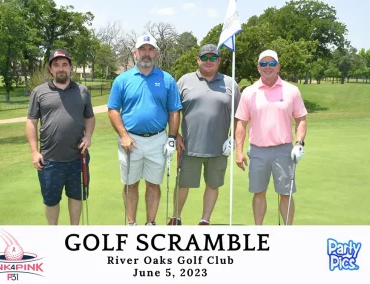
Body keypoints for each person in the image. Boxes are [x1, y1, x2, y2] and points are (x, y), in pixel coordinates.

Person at [107, 35, 182, 226]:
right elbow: (113, 109)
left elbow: (174, 110)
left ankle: (150, 224)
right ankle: (132, 224)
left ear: (156, 53)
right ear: (135, 53)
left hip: (158, 139)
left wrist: (172, 138)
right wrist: (123, 135)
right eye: (142, 49)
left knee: (153, 183)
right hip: (130, 140)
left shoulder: (167, 79)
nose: (146, 53)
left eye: (150, 49)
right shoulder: (122, 79)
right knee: (131, 183)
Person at [168, 44, 241, 226]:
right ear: (198, 60)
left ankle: (205, 220)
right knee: (183, 184)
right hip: (189, 146)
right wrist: (175, 135)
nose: (209, 62)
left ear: (219, 61)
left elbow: (239, 116)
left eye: (213, 58)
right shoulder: (184, 81)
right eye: (205, 58)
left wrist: (233, 139)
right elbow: (173, 111)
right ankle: (176, 217)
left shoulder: (230, 84)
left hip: (218, 148)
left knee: (213, 184)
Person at [235, 49, 307, 225]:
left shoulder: (292, 90)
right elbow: (241, 124)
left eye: (272, 63)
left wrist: (299, 144)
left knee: (285, 192)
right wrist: (239, 151)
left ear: (279, 67)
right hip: (258, 150)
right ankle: (259, 231)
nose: (268, 67)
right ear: (258, 68)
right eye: (264, 64)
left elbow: (301, 119)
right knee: (259, 192)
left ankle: (288, 230)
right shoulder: (249, 92)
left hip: (284, 150)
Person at [26, 48, 95, 225]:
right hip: (49, 160)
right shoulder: (39, 92)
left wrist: (88, 136)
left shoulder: (82, 91)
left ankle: (73, 234)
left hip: (77, 158)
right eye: (56, 65)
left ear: (71, 67)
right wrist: (34, 152)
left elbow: (90, 117)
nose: (61, 68)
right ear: (50, 69)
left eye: (64, 64)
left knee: (76, 197)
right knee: (51, 201)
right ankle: (54, 235)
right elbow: (31, 122)